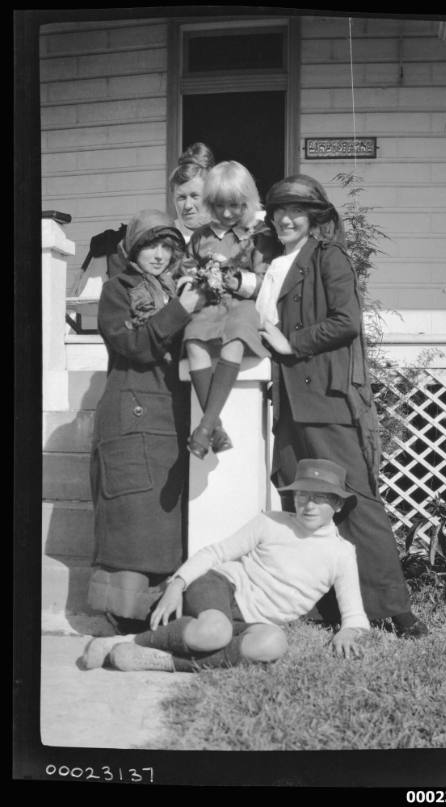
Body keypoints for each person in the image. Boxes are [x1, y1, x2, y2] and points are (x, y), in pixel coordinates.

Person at [258, 175, 427, 638]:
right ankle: (325, 607)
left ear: (314, 218)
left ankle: (397, 610)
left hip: (324, 399)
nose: (286, 218)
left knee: (353, 502)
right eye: (279, 211)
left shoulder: (327, 258)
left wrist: (291, 344)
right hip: (290, 402)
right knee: (300, 501)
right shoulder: (276, 263)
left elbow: (345, 323)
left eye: (297, 211)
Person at [82, 459, 370, 672]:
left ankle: (161, 660)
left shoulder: (341, 554)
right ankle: (124, 642)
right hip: (221, 587)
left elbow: (355, 615)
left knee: (273, 644)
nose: (308, 506)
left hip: (254, 621)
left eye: (320, 499)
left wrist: (348, 631)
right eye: (303, 496)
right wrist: (177, 584)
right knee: (215, 631)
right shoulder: (271, 522)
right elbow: (216, 553)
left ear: (338, 505)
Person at [87, 209, 204, 634]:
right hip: (131, 412)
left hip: (169, 413)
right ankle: (123, 613)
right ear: (133, 249)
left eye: (167, 246)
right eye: (150, 245)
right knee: (132, 517)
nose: (159, 254)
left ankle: (156, 610)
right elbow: (133, 344)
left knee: (161, 517)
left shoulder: (178, 286)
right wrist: (180, 309)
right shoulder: (117, 289)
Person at [179, 160, 280, 459]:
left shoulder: (258, 234)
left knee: (235, 335)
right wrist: (194, 280)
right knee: (193, 337)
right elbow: (186, 268)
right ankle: (214, 428)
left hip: (243, 304)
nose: (226, 213)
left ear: (246, 202)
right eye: (220, 206)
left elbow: (266, 280)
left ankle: (204, 426)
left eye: (234, 206)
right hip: (210, 302)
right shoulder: (201, 235)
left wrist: (239, 280)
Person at [169, 142, 215, 243]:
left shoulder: (227, 235)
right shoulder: (168, 239)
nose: (187, 206)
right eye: (181, 197)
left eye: (195, 196)